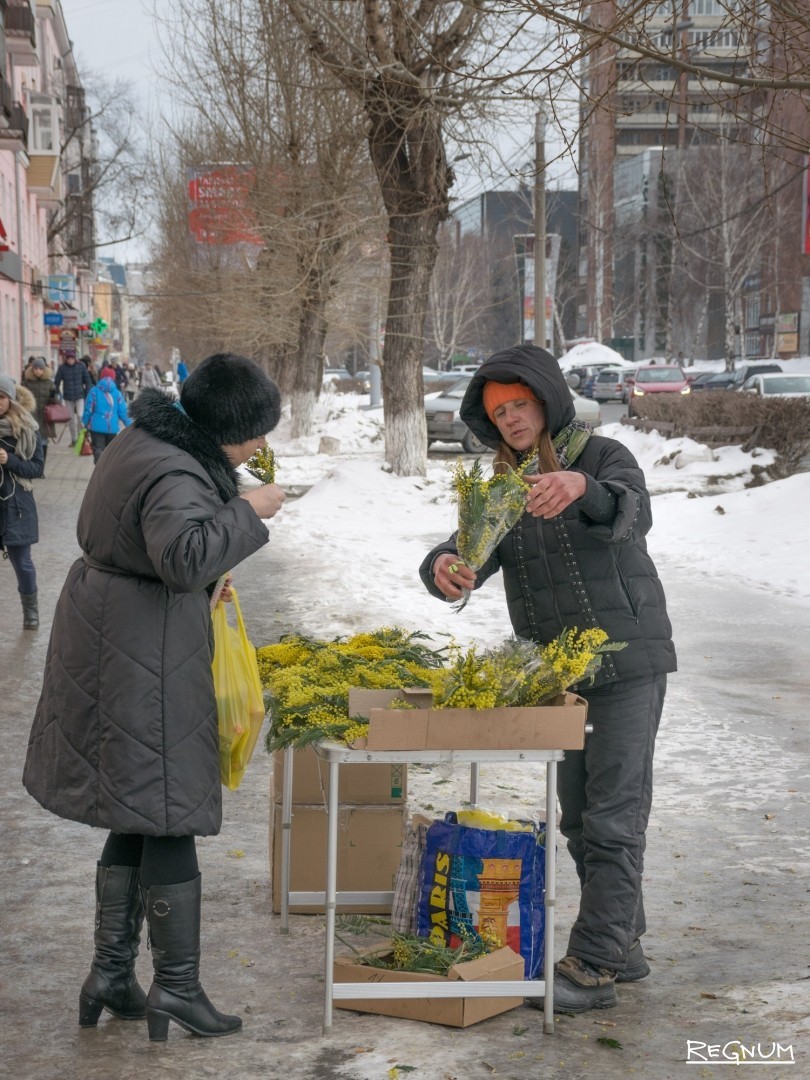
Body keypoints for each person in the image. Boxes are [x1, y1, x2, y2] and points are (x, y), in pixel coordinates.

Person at [23, 353, 286, 1041]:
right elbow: (183, 557)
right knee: (169, 806)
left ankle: (111, 974)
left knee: (136, 807)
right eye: (258, 434)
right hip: (145, 648)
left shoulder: (150, 440)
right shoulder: (175, 467)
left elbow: (161, 548)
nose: (262, 447)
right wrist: (249, 511)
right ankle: (176, 988)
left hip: (119, 634)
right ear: (230, 427)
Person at [419, 344, 676, 1014]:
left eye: (519, 404)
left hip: (626, 663)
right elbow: (465, 546)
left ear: (546, 399)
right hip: (561, 676)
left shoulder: (601, 455)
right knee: (580, 821)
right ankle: (626, 943)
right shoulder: (502, 484)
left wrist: (585, 490)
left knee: (615, 818)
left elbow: (635, 511)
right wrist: (446, 565)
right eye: (497, 410)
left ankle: (593, 966)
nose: (509, 418)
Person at [0, 375, 45, 629]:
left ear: (11, 399)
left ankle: (31, 613)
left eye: (2, 397)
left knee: (23, 562)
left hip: (17, 504)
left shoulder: (27, 429)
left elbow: (38, 468)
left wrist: (10, 461)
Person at [82, 365, 132, 463]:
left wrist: (84, 422)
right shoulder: (117, 393)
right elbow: (123, 411)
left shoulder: (94, 391)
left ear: (101, 377)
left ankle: (99, 470)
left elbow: (88, 409)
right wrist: (130, 424)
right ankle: (107, 473)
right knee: (110, 453)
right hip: (112, 428)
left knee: (98, 450)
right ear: (113, 378)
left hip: (96, 427)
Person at [22, 357, 57, 473]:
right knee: (30, 442)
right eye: (35, 368)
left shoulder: (49, 383)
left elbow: (55, 402)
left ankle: (41, 468)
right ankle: (32, 467)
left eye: (40, 369)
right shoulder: (27, 382)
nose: (38, 371)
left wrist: (53, 397)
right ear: (32, 370)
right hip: (30, 417)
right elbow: (21, 398)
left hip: (44, 418)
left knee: (43, 443)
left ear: (44, 370)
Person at [54, 353, 92, 445]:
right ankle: (74, 439)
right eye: (68, 359)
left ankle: (81, 437)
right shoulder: (62, 368)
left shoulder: (81, 366)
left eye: (72, 359)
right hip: (68, 396)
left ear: (75, 359)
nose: (70, 361)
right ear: (66, 359)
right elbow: (57, 382)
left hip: (80, 396)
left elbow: (87, 381)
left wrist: (88, 393)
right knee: (70, 418)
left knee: (80, 416)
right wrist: (56, 393)